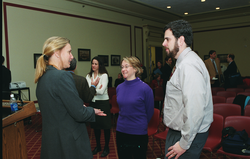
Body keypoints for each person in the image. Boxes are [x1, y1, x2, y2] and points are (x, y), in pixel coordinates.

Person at [35, 36, 106, 159]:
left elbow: (58, 108)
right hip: (69, 143)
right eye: (69, 52)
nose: (72, 56)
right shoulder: (63, 76)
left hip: (52, 142)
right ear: (57, 53)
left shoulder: (42, 77)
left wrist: (78, 107)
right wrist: (91, 110)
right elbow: (79, 113)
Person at [162, 20, 213, 159]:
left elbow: (195, 109)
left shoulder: (189, 65)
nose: (163, 43)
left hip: (186, 135)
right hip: (181, 131)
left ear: (181, 40)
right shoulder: (183, 62)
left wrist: (184, 144)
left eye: (167, 39)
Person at [116, 56, 154, 159]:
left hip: (138, 132)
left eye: (126, 66)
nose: (123, 69)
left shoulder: (145, 89)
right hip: (121, 131)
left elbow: (149, 112)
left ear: (135, 69)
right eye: (122, 67)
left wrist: (139, 124)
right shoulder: (119, 88)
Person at [86, 56, 111, 157]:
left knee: (106, 127)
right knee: (96, 126)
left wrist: (93, 88)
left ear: (100, 65)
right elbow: (87, 91)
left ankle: (106, 147)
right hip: (93, 103)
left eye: (96, 64)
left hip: (103, 103)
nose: (93, 65)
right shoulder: (88, 76)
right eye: (92, 63)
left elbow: (101, 91)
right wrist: (96, 88)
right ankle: (98, 146)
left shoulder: (104, 75)